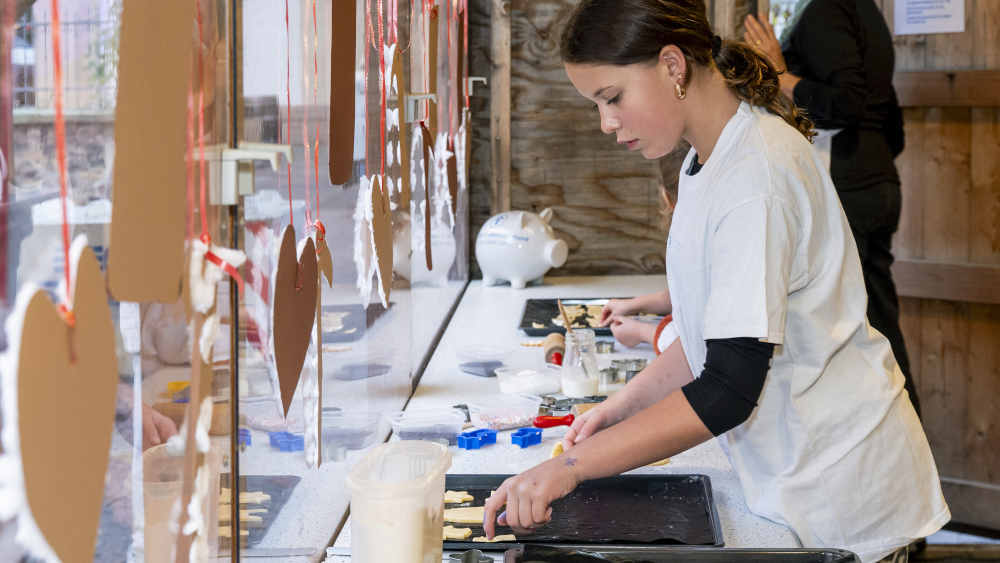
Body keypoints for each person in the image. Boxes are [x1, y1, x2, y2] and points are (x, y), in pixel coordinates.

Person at [482, 1, 949, 561]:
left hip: (839, 489)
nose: (607, 123)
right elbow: (707, 335)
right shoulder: (705, 159)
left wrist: (571, 468)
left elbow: (727, 387)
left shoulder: (757, 175)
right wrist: (617, 410)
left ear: (673, 66)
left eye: (612, 98)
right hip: (791, 477)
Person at [743, 1, 919, 416]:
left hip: (851, 185)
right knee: (877, 325)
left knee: (865, 334)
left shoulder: (823, 8)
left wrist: (781, 75)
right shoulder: (863, 8)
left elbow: (848, 102)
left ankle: (899, 453)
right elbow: (888, 114)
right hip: (873, 179)